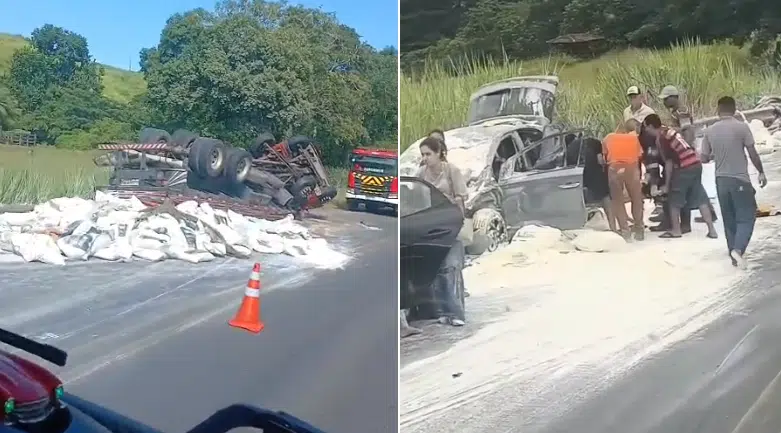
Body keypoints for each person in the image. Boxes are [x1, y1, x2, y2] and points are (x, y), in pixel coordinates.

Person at [700, 96, 768, 269]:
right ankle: (738, 249)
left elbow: (704, 158)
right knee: (747, 217)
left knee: (729, 220)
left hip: (721, 181)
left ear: (718, 109)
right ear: (734, 109)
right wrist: (761, 172)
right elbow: (752, 153)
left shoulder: (710, 131)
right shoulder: (742, 127)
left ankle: (734, 256)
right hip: (739, 179)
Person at [417, 136, 467, 326]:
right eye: (423, 154)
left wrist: (457, 222)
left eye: (429, 154)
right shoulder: (421, 173)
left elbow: (461, 198)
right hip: (431, 228)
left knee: (450, 269)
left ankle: (456, 313)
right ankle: (443, 312)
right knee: (436, 271)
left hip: (450, 226)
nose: (425, 158)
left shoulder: (451, 171)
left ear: (439, 153)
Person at [642, 114, 718, 239]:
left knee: (674, 200)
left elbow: (669, 162)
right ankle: (712, 230)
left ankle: (676, 230)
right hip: (695, 163)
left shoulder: (661, 138)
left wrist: (667, 184)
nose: (646, 131)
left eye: (646, 128)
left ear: (650, 126)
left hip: (683, 167)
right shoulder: (670, 131)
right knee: (700, 197)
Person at [659, 85, 719, 225]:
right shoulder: (677, 111)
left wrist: (684, 149)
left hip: (685, 152)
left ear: (674, 98)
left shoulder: (681, 111)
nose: (664, 102)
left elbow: (688, 131)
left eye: (666, 99)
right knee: (695, 185)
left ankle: (707, 213)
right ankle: (710, 213)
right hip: (687, 151)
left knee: (691, 185)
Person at [602, 119, 645, 240]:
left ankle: (625, 230)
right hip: (631, 168)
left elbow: (603, 156)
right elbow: (639, 155)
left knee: (617, 200)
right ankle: (639, 229)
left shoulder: (608, 137)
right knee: (636, 198)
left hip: (615, 168)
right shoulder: (635, 138)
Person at [583, 137, 617, 232]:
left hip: (583, 175)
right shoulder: (596, 143)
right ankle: (613, 227)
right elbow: (600, 160)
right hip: (596, 174)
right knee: (606, 199)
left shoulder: (573, 145)